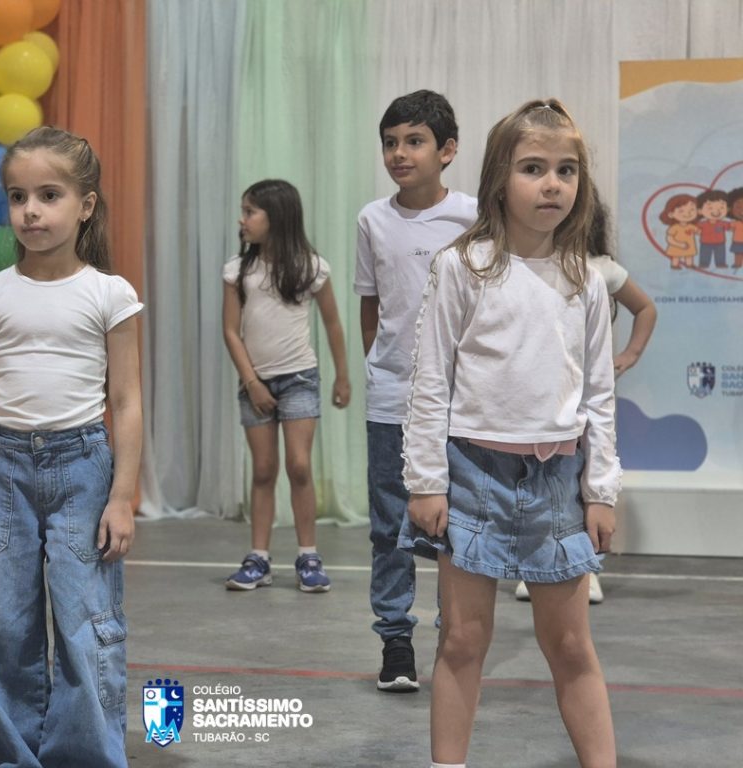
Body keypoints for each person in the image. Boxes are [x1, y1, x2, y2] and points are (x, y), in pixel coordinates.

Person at [401, 99, 619, 768]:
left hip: (558, 483)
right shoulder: (463, 266)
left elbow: (600, 395)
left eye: (566, 170)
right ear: (499, 178)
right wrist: (426, 480)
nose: (552, 184)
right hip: (472, 478)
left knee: (572, 646)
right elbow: (430, 380)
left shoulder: (587, 279)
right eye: (533, 168)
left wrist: (601, 490)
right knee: (463, 641)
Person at [0, 126, 142, 768]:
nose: (31, 211)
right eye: (18, 197)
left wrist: (122, 497)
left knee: (85, 624)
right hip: (4, 474)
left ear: (86, 205)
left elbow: (126, 402)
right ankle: (9, 756)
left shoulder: (109, 294)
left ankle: (84, 757)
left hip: (83, 471)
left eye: (50, 195)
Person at [353, 90, 477, 691]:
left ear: (447, 150)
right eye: (390, 143)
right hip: (390, 399)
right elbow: (371, 305)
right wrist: (382, 369)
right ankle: (395, 641)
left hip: (459, 402)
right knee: (389, 527)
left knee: (457, 526)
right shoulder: (372, 220)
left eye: (414, 141)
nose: (399, 153)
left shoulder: (475, 217)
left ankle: (455, 635)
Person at [515, 182, 657, 603]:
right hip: (541, 401)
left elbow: (645, 308)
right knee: (538, 481)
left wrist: (628, 355)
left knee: (588, 481)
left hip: (587, 400)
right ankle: (535, 563)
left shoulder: (601, 268)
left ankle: (587, 566)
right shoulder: (527, 264)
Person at [222, 179, 350, 593]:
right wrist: (252, 382)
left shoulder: (311, 267)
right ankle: (258, 557)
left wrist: (342, 375)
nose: (242, 220)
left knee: (298, 465)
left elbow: (333, 323)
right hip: (255, 383)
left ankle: (308, 555)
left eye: (250, 212)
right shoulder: (238, 270)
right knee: (263, 469)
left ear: (276, 217)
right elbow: (231, 331)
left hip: (299, 379)